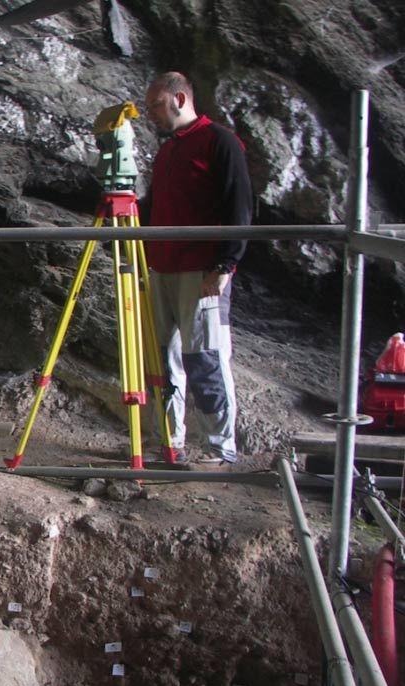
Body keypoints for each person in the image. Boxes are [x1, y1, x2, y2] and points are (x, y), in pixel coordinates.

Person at [142, 72, 253, 466]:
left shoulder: (219, 142)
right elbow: (153, 207)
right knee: (161, 359)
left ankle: (220, 449)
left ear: (180, 98)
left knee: (204, 357)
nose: (149, 113)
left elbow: (239, 206)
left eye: (155, 105)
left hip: (201, 269)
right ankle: (169, 442)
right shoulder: (168, 151)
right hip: (161, 268)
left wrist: (225, 264)